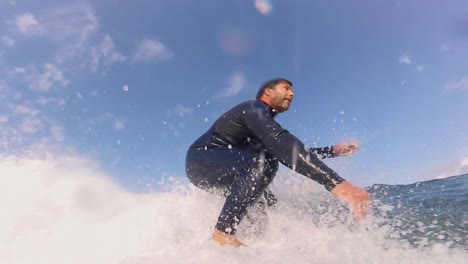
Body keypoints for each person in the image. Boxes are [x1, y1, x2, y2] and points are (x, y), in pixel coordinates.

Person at [185, 78, 370, 247]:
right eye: (286, 88)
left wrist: (332, 151)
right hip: (202, 159)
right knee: (265, 162)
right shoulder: (254, 108)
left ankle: (257, 245)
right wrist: (337, 184)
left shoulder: (261, 127)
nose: (292, 93)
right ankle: (222, 234)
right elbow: (280, 142)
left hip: (219, 168)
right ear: (268, 92)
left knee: (264, 198)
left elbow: (288, 150)